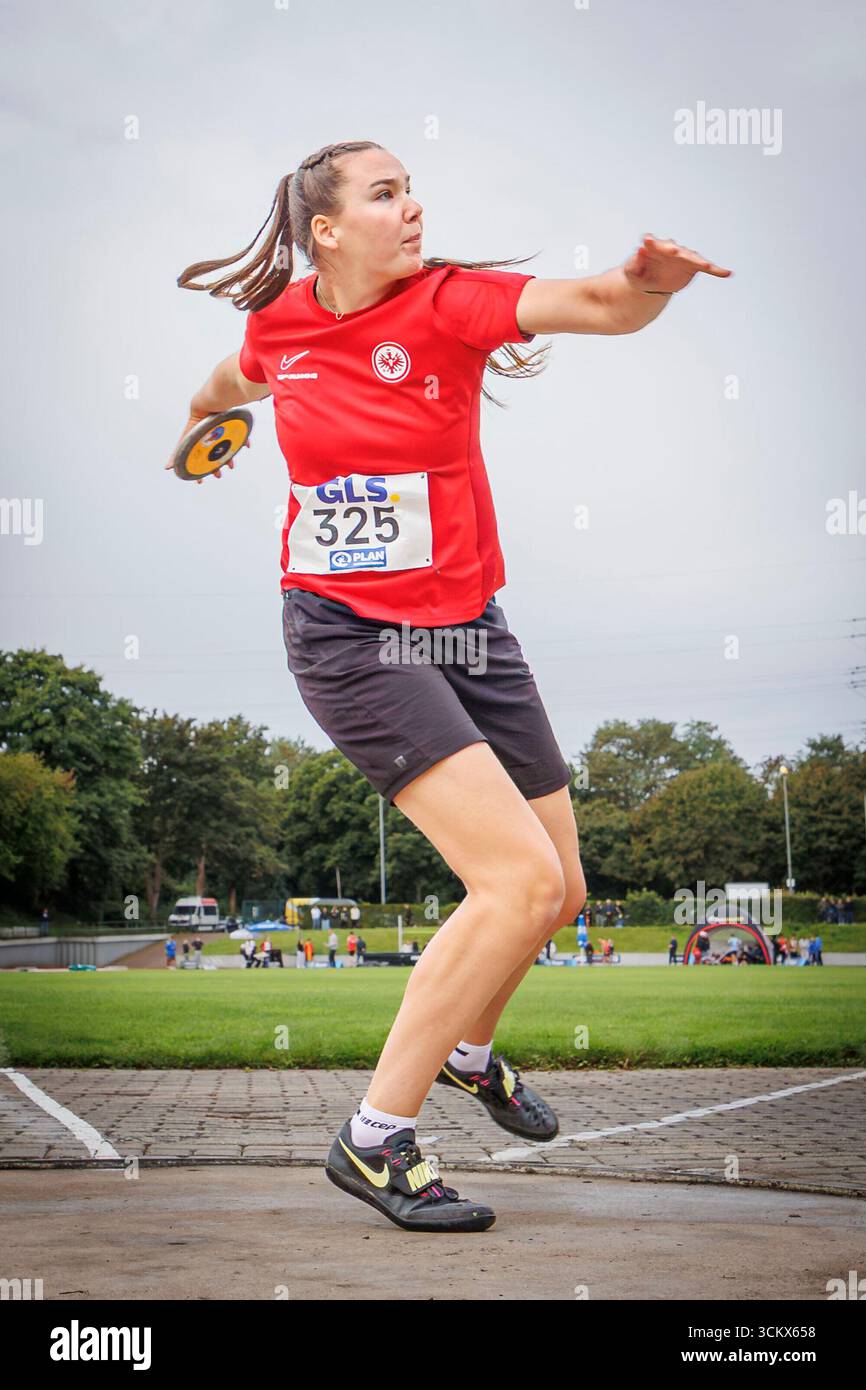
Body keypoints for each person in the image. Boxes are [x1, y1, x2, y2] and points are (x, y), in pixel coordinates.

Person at [171, 139, 729, 1234]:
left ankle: (471, 1051)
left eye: (413, 188)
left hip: (470, 634)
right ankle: (375, 1138)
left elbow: (599, 304)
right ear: (324, 228)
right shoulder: (281, 326)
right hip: (349, 639)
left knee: (557, 892)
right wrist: (205, 430)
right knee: (513, 884)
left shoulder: (451, 304)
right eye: (386, 194)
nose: (413, 207)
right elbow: (223, 383)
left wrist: (648, 283)